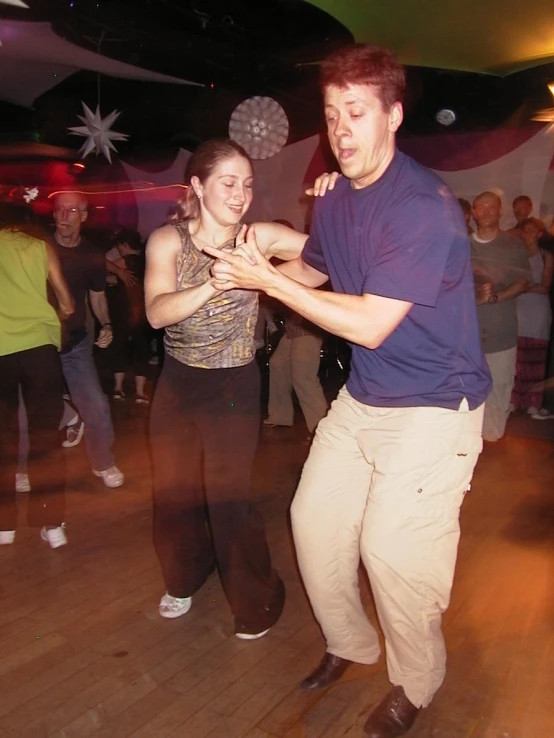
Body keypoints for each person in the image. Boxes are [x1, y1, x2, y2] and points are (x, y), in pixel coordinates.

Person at [208, 44, 491, 737]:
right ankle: (353, 643)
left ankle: (417, 682)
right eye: (332, 114)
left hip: (435, 404)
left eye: (356, 112)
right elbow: (313, 271)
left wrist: (266, 283)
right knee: (314, 521)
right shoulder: (336, 198)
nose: (340, 129)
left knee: (393, 549)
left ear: (393, 116)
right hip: (366, 398)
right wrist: (265, 263)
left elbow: (368, 324)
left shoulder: (423, 205)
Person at [144, 139, 306, 637]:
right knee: (173, 493)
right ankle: (186, 577)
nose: (241, 194)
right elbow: (156, 313)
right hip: (178, 382)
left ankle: (257, 601)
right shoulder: (167, 241)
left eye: (248, 184)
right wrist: (217, 281)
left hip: (233, 383)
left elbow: (331, 256)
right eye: (228, 183)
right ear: (197, 185)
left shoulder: (259, 237)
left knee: (229, 499)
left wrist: (274, 283)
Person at [0, 202, 74, 548]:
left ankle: (4, 527)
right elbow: (68, 304)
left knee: (3, 438)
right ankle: (52, 524)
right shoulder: (40, 248)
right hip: (39, 350)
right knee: (47, 437)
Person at [51, 192, 124, 488]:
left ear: (84, 216)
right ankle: (25, 467)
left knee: (95, 403)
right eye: (60, 210)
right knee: (23, 404)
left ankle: (103, 462)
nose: (64, 215)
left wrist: (106, 323)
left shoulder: (92, 255)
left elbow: (96, 295)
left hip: (74, 342)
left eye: (72, 210)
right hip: (38, 339)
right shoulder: (38, 247)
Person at [470, 191, 531, 441]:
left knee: (499, 388)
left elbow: (524, 280)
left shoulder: (513, 244)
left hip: (501, 333)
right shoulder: (462, 244)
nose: (485, 211)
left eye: (491, 207)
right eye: (480, 207)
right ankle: (470, 446)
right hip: (467, 335)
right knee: (468, 391)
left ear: (500, 210)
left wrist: (494, 297)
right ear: (473, 213)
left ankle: (492, 447)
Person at [511, 217, 554, 418]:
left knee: (535, 358)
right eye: (524, 230)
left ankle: (533, 404)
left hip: (537, 312)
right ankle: (515, 400)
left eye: (531, 231)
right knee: (517, 359)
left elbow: (545, 286)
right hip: (517, 309)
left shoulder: (546, 256)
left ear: (539, 234)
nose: (526, 234)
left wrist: (521, 288)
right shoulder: (515, 254)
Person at [263, 307, 328, 437]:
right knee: (278, 364)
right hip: (293, 330)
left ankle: (322, 429)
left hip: (307, 329)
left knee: (304, 379)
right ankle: (281, 416)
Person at [105, 229, 151, 404]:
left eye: (120, 247)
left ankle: (118, 389)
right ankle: (139, 392)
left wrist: (116, 273)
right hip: (143, 312)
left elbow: (102, 267)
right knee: (142, 349)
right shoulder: (147, 260)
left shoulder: (127, 260)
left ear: (124, 245)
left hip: (123, 311)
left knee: (120, 347)